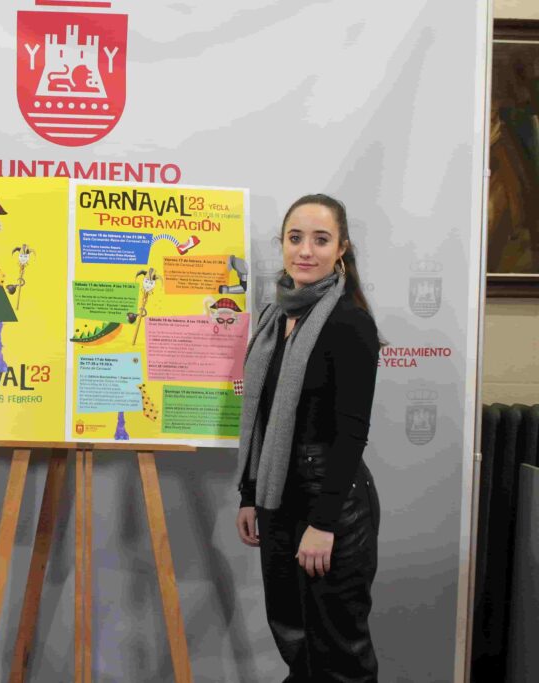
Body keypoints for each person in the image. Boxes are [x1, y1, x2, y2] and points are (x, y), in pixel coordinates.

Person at [234, 194, 381, 682]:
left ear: (341, 248)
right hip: (278, 499)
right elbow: (263, 417)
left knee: (339, 652)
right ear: (282, 243)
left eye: (321, 239)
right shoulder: (273, 320)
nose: (305, 250)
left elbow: (351, 433)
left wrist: (324, 523)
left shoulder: (349, 322)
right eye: (295, 238)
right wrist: (250, 494)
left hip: (330, 501)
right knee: (294, 641)